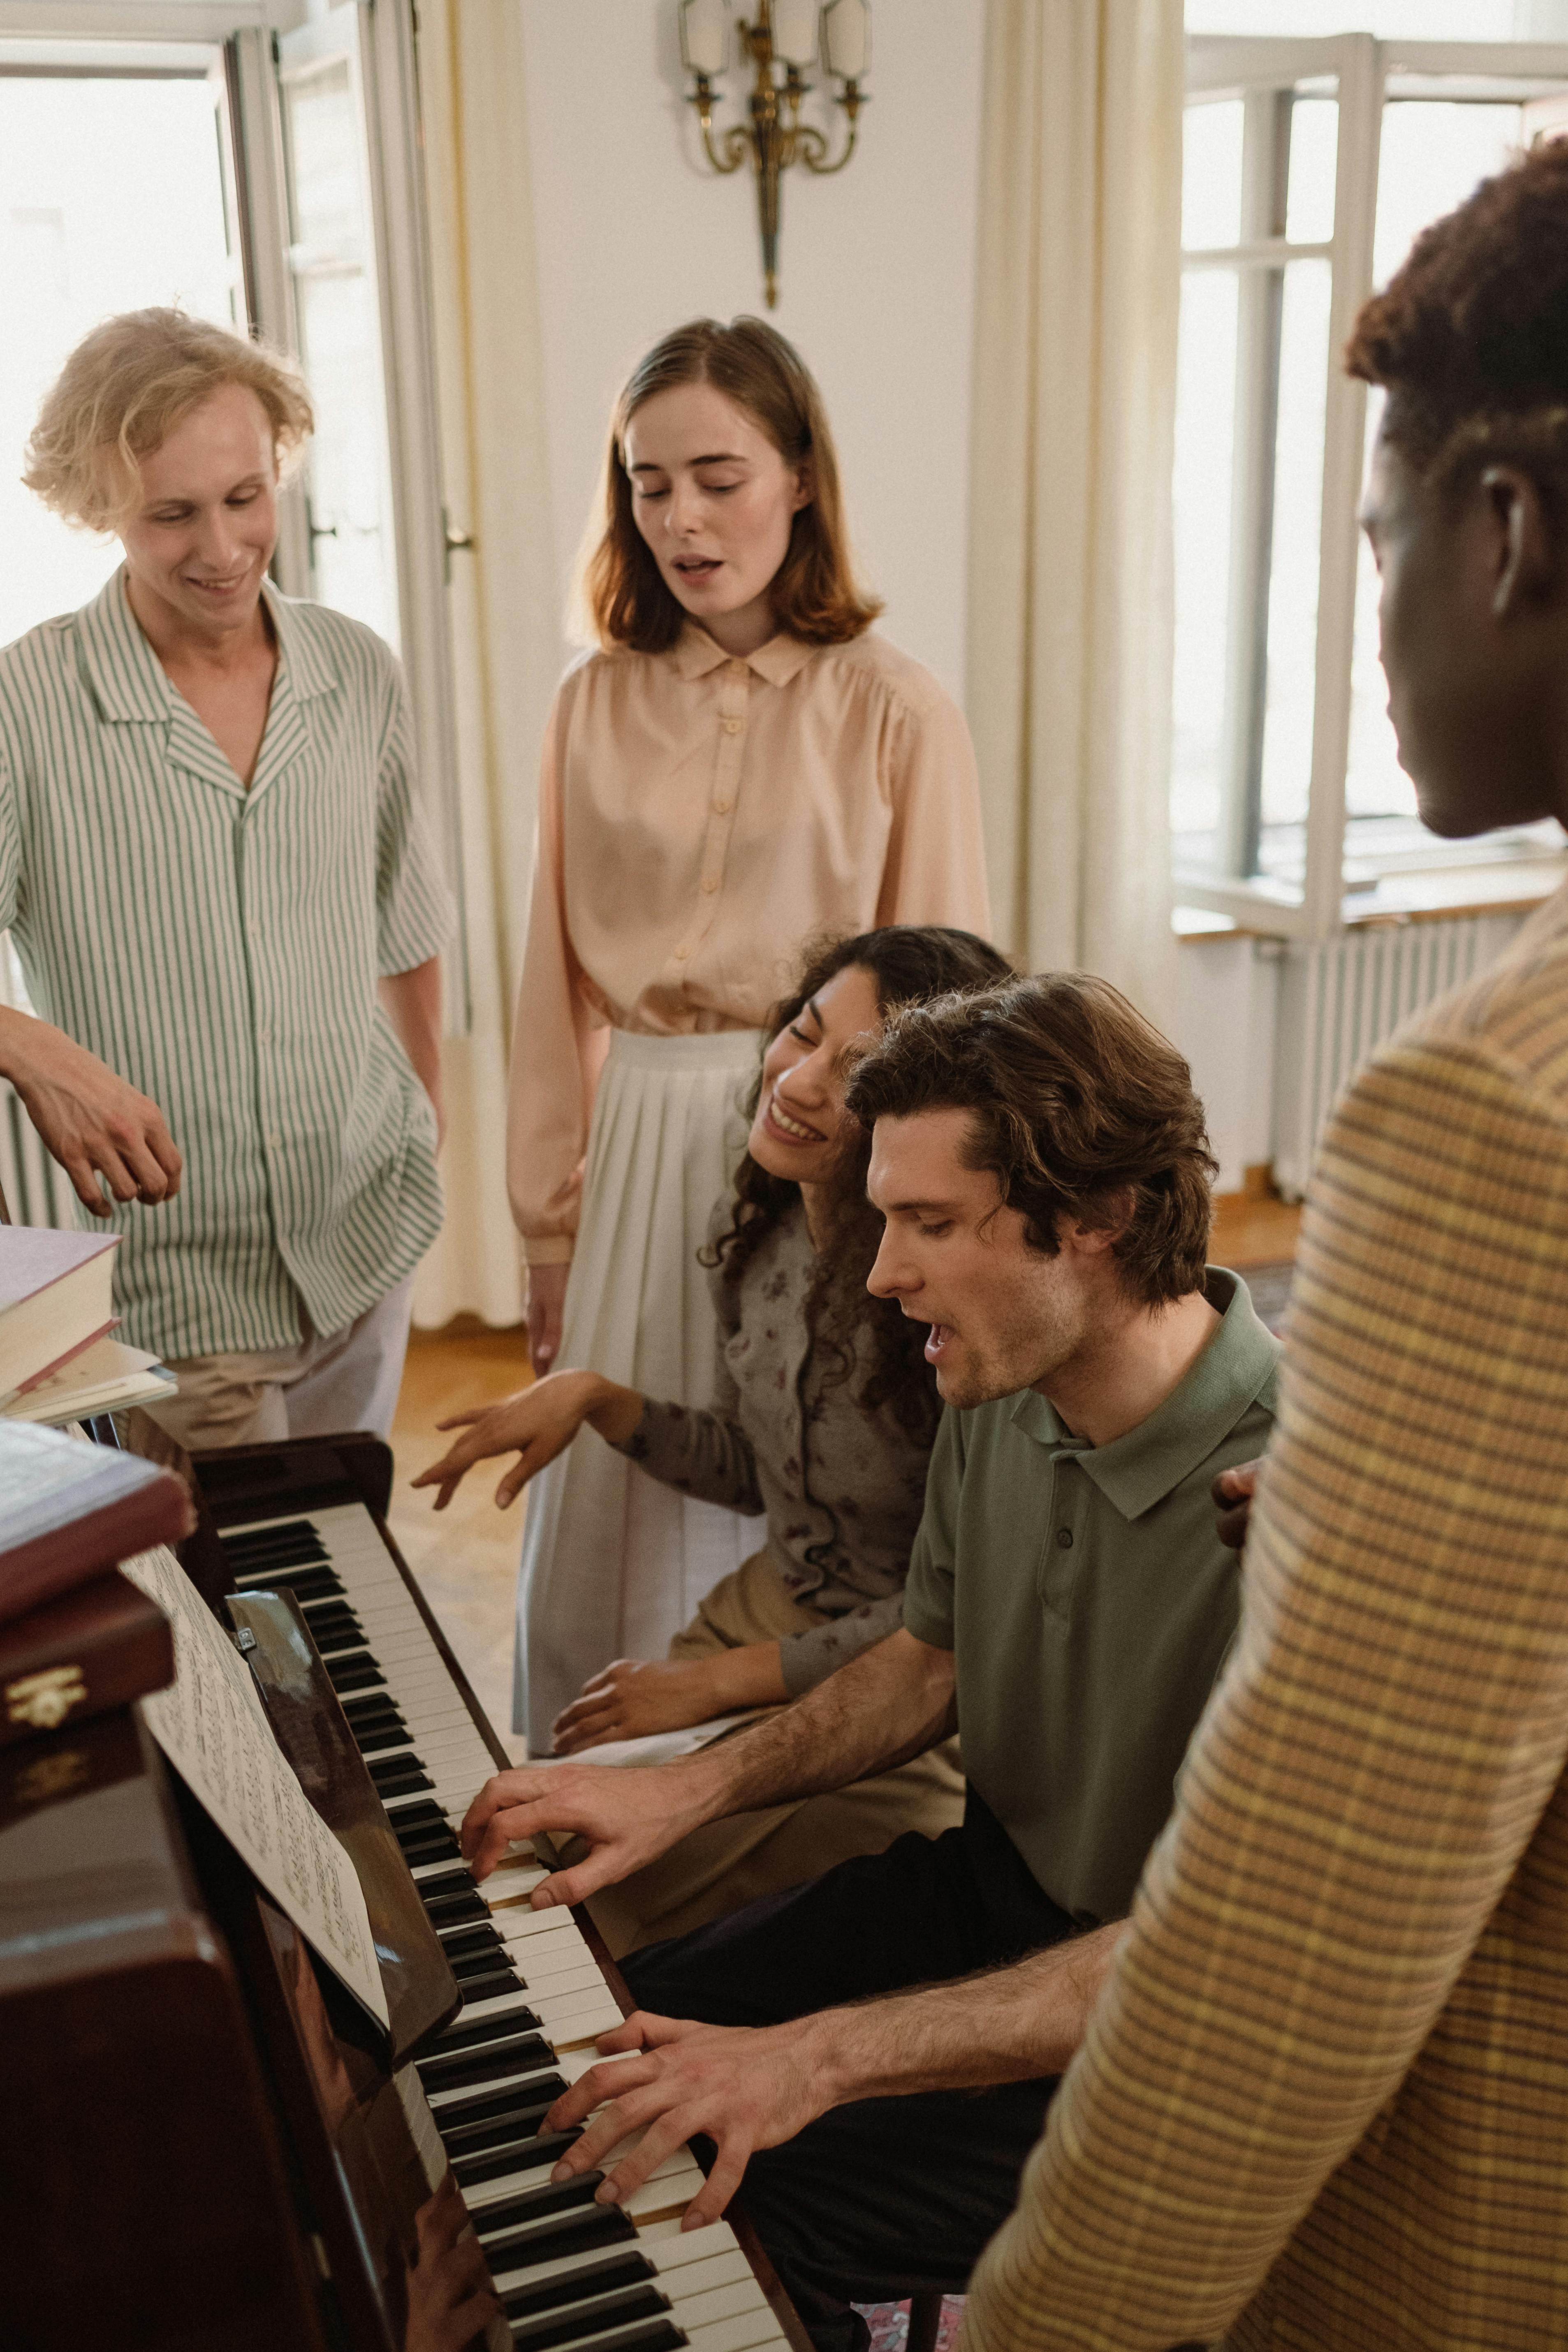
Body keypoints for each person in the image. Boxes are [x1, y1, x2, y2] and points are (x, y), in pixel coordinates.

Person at [953, 140, 1568, 2352]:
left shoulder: (1494, 1113)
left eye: (1375, 538)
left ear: (1503, 530)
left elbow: (1306, 1915)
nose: (1372, 607)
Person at [458, 972, 1281, 2352]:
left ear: (1099, 1218)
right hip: (997, 1897)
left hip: (1175, 2045)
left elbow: (1220, 1957)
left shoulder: (1304, 1502)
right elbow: (925, 1664)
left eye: (930, 1225)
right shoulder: (1003, 1379)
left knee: (706, 2197)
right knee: (605, 2052)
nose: (883, 1273)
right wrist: (687, 1792)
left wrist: (814, 2063)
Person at [507, 315, 991, 1747]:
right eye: (648, 484)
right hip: (639, 1136)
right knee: (612, 1495)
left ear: (797, 476)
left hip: (820, 1144)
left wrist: (915, 1226)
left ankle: (758, 1798)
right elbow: (550, 984)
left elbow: (948, 1006)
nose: (683, 518)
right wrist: (547, 1228)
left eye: (717, 476)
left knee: (797, 1473)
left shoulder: (898, 710)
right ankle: (589, 1788)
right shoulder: (586, 704)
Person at [418, 925, 1010, 1954]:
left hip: (902, 1693)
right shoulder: (768, 1230)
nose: (800, 1080)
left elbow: (956, 1623)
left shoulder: (947, 1313)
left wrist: (717, 1683)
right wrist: (603, 1401)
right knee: (533, 1838)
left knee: (581, 1907)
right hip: (770, 1615)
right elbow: (766, 1472)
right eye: (802, 1032)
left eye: (856, 1072)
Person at [0, 309, 451, 1448]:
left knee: (353, 1554)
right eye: (173, 514)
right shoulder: (24, 704)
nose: (222, 547)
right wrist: (35, 1049)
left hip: (364, 1234)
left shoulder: (357, 669)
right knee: (239, 1606)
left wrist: (425, 1113)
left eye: (245, 497)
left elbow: (404, 920)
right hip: (179, 1290)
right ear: (99, 507)